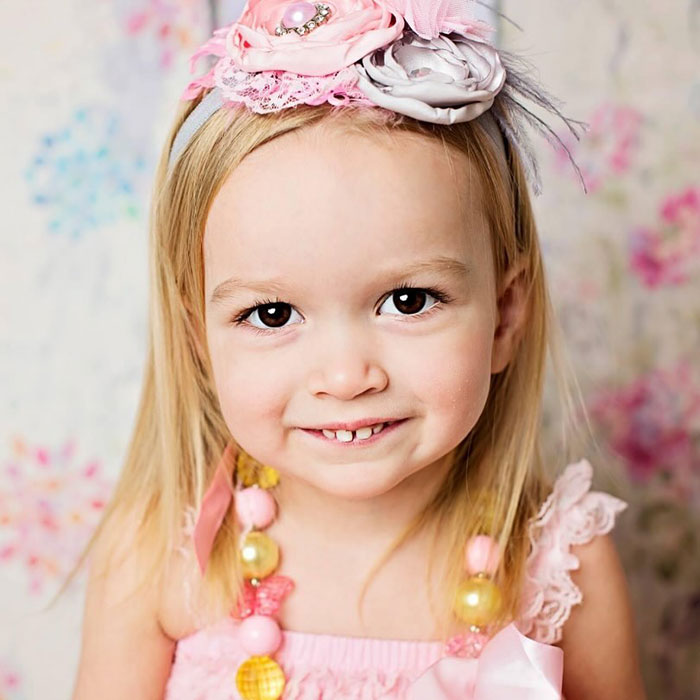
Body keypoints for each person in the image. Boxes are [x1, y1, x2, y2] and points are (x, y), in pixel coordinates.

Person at [70, 1, 647, 698]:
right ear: (200, 338)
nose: (346, 377)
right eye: (273, 313)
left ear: (504, 317)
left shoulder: (560, 566)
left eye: (408, 300)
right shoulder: (160, 554)